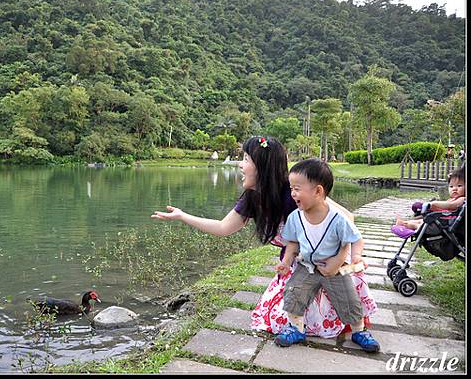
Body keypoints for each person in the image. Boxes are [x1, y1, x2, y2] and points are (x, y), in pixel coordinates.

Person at [151, 136, 377, 338]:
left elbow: (346, 218)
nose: (240, 165)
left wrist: (341, 258)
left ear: (262, 167)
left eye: (246, 159)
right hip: (298, 266)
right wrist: (182, 216)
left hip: (329, 264)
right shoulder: (252, 197)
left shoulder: (294, 195)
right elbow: (222, 227)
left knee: (291, 319)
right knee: (275, 318)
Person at [274, 158, 380, 352]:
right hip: (307, 267)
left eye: (297, 188)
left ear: (318, 191)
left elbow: (355, 239)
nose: (292, 194)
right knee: (293, 292)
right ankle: (296, 328)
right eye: (291, 188)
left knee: (348, 298)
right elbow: (292, 243)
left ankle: (359, 330)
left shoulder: (337, 219)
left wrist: (355, 258)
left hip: (334, 269)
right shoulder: (295, 217)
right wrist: (286, 262)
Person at [393, 166, 465, 233]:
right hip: (440, 219)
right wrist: (429, 206)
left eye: (459, 186)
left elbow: (450, 205)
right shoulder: (451, 199)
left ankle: (411, 226)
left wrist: (434, 203)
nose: (454, 189)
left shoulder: (462, 199)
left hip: (445, 223)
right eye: (451, 186)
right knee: (420, 219)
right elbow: (442, 207)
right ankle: (404, 223)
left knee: (422, 222)